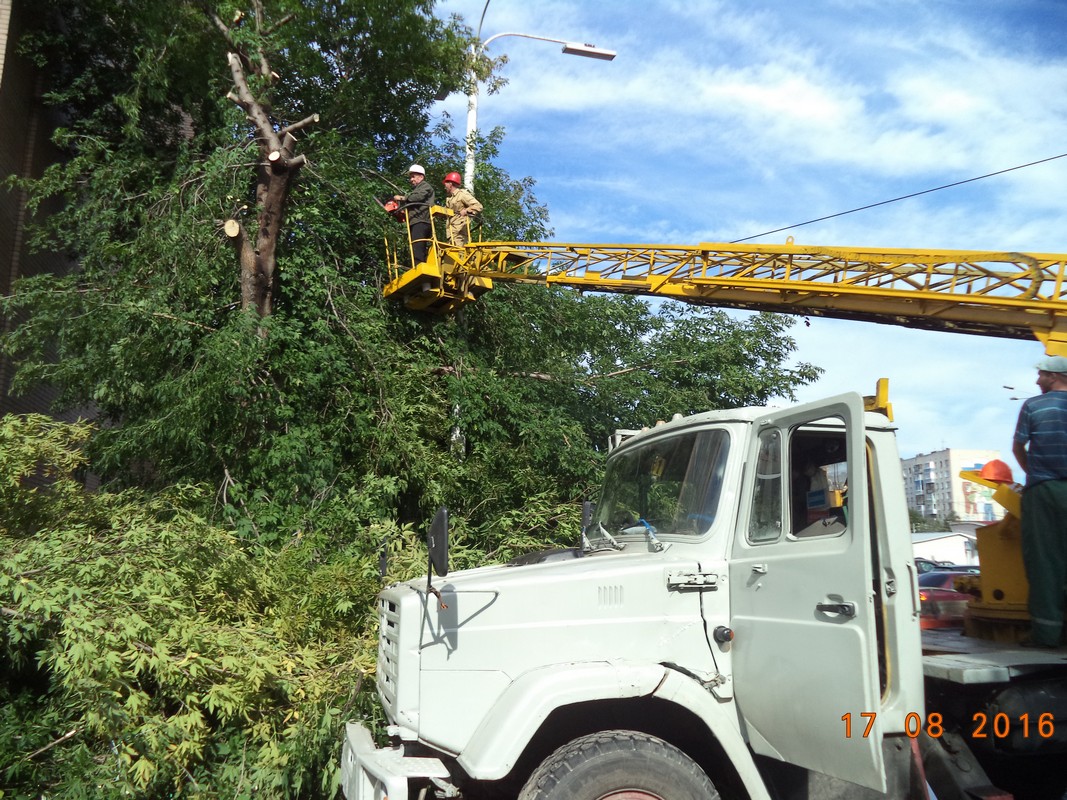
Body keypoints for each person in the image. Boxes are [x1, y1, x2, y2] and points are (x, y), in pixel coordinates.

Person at [1012, 354, 1067, 648]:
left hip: (1044, 490)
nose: (1037, 380)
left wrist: (1033, 472)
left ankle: (1046, 635)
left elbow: (1018, 446)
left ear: (1055, 377)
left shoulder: (1033, 405)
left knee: (1045, 562)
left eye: (1042, 375)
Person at [394, 164, 435, 265]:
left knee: (418, 247)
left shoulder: (425, 186)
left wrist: (403, 198)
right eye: (410, 177)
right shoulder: (418, 188)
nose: (411, 179)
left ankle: (420, 268)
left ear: (421, 177)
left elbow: (418, 197)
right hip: (416, 221)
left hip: (422, 221)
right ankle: (418, 266)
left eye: (413, 176)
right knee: (416, 247)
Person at [441, 172, 483, 247]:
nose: (445, 186)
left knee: (460, 256)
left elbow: (478, 206)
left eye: (446, 183)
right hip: (451, 234)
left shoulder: (462, 194)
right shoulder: (449, 199)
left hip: (460, 234)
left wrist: (466, 210)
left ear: (450, 184)